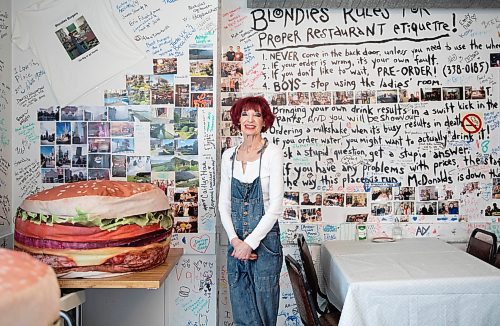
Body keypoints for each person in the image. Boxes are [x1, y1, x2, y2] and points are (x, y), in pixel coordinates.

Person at [218, 96, 283, 326]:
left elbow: (275, 207)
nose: (250, 119)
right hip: (236, 246)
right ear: (238, 119)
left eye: (257, 114)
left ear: (265, 121)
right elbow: (223, 205)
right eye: (245, 114)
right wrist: (236, 242)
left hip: (265, 246)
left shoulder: (272, 153)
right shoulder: (229, 157)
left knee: (263, 316)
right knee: (243, 314)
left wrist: (250, 243)